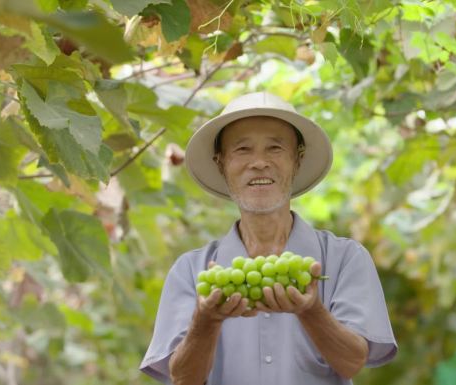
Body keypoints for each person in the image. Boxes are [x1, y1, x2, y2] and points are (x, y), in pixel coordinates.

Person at [139, 92, 397, 385]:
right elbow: (183, 379)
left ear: (297, 160)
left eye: (275, 148)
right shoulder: (190, 272)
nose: (259, 163)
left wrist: (311, 311)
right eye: (243, 150)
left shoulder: (346, 259)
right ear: (221, 163)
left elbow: (352, 363)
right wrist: (206, 321)